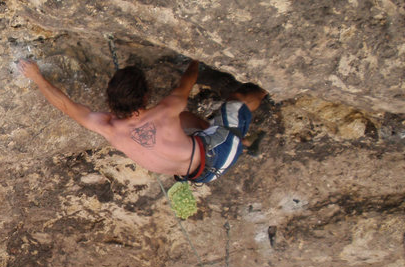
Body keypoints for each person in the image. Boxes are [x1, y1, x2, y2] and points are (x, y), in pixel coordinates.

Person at [17, 59, 266, 183]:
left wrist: (36, 76)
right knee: (238, 99)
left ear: (109, 100)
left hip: (199, 176)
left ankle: (242, 142)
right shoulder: (166, 109)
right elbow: (187, 81)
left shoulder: (108, 128)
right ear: (146, 96)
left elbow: (66, 106)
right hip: (220, 153)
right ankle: (267, 91)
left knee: (185, 121)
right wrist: (194, 59)